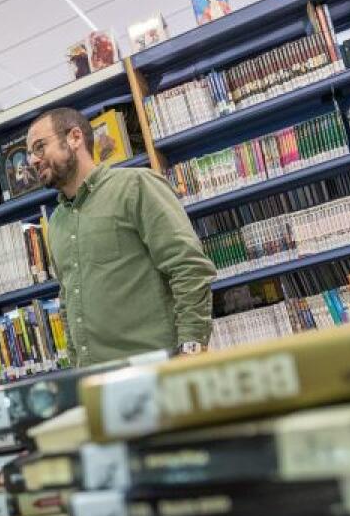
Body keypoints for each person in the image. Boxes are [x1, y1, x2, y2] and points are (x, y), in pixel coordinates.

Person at [25, 107, 216, 367]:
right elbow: (68, 301)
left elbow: (189, 267)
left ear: (75, 138)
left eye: (39, 147)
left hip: (158, 371)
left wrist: (192, 351)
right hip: (99, 383)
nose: (32, 161)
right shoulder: (57, 222)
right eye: (29, 154)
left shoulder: (136, 186)